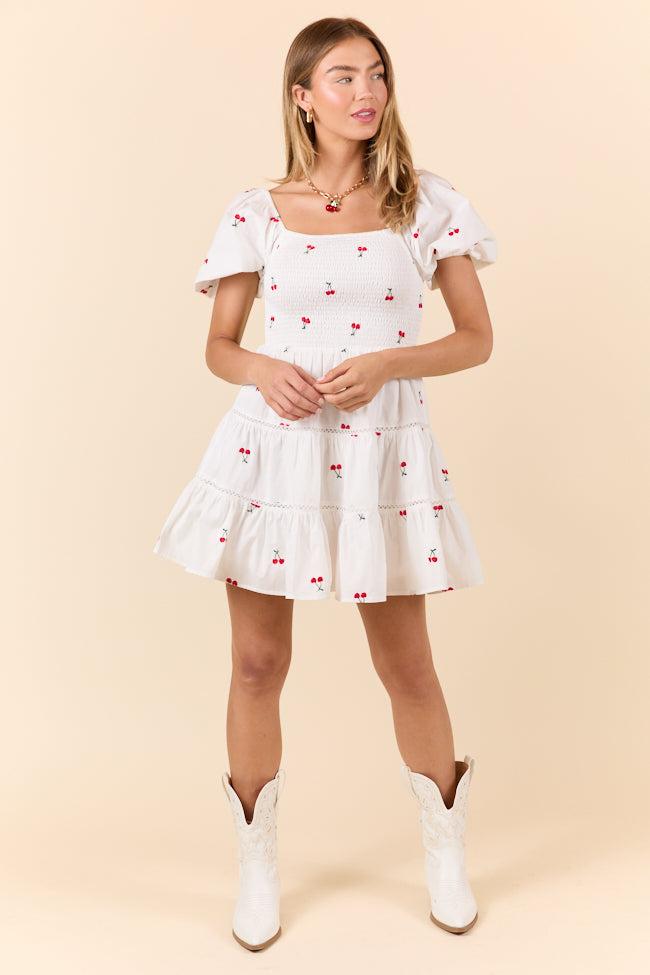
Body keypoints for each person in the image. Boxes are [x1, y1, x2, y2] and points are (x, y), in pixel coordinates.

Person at [153, 16, 496, 952]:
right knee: (257, 664)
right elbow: (220, 347)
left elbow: (476, 338)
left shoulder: (427, 203)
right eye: (343, 76)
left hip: (383, 453)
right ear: (303, 97)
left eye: (376, 73)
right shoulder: (255, 211)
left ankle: (445, 853)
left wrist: (388, 363)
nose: (366, 91)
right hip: (276, 454)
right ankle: (257, 865)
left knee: (408, 667)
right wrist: (264, 369)